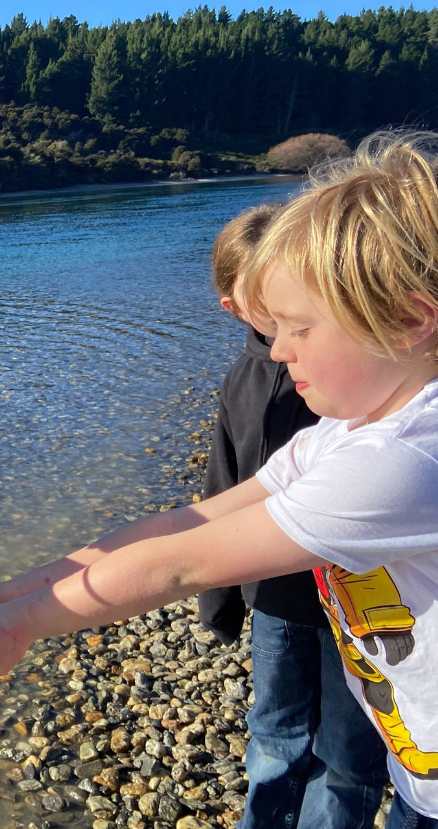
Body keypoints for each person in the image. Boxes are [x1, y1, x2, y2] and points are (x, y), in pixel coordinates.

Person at [0, 132, 438, 829]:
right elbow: (190, 522)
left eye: (299, 328)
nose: (280, 351)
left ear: (410, 320)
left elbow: (182, 564)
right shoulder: (347, 433)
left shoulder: (408, 460)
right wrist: (9, 592)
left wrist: (20, 625)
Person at [196, 204, 387, 828]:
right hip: (279, 598)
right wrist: (219, 600)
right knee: (276, 734)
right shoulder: (245, 379)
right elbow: (225, 486)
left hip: (358, 595)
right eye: (270, 311)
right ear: (236, 307)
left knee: (349, 752)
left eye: (301, 317)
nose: (286, 340)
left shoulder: (355, 373)